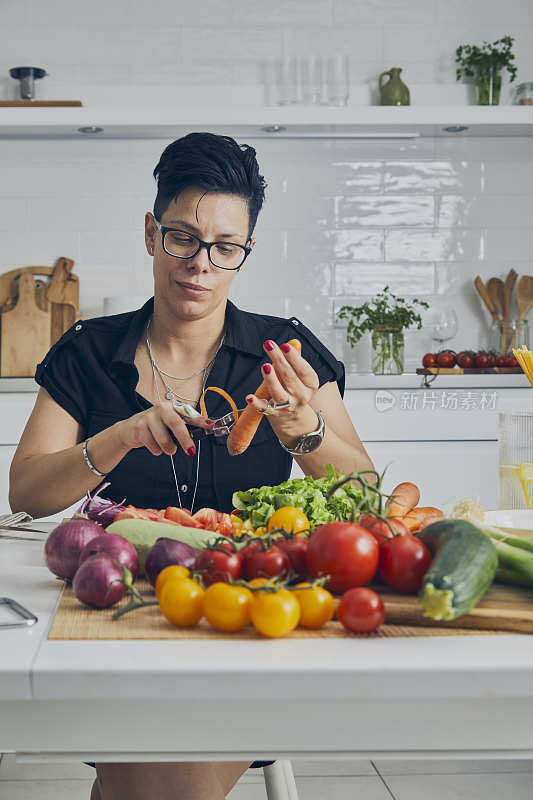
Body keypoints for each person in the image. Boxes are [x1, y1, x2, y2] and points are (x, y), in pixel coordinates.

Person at [9, 132, 374, 800]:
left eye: (224, 247)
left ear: (245, 253)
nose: (200, 264)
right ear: (151, 233)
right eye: (182, 237)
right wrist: (116, 438)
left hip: (252, 613)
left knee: (152, 786)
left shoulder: (285, 357)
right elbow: (27, 493)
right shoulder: (90, 352)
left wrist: (303, 428)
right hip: (122, 614)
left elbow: (364, 497)